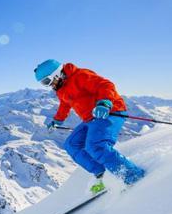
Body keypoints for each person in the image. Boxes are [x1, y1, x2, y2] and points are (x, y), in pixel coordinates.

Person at [34, 59, 145, 193]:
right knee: (71, 145)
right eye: (44, 83)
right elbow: (65, 104)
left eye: (47, 81)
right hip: (90, 118)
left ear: (56, 74)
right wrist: (57, 120)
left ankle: (133, 176)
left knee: (96, 146)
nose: (49, 86)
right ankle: (102, 174)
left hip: (111, 112)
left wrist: (104, 102)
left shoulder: (80, 76)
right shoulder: (61, 88)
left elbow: (105, 85)